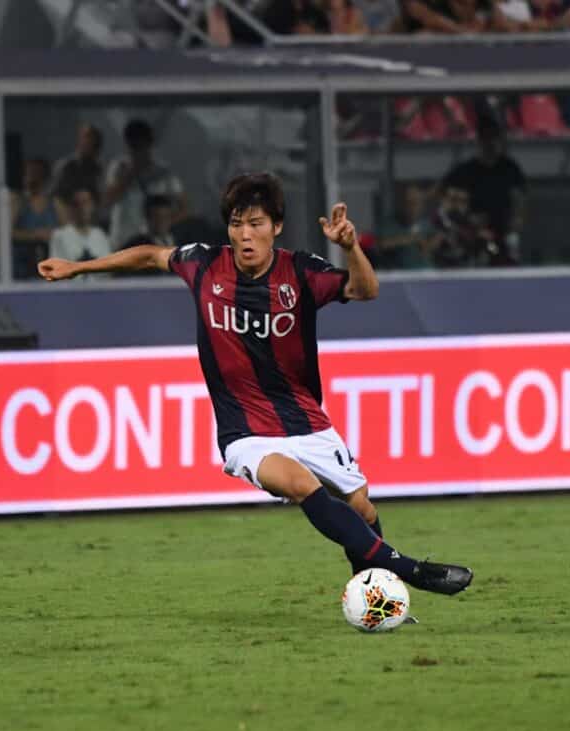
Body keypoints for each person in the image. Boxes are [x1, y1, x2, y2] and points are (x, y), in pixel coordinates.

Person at [38, 172, 473, 600]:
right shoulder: (205, 264)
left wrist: (350, 247)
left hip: (306, 420)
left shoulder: (299, 272)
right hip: (245, 432)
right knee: (303, 486)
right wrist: (79, 267)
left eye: (256, 224)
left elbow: (366, 289)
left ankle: (374, 599)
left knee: (361, 507)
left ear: (276, 227)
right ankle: (409, 571)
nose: (244, 235)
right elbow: (152, 255)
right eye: (236, 224)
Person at [441, 119, 526, 262]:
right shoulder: (466, 169)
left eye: (494, 138)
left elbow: (521, 196)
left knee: (506, 263)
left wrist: (518, 218)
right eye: (487, 138)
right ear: (480, 141)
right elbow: (446, 194)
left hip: (503, 229)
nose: (491, 143)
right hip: (474, 230)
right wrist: (466, 220)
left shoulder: (509, 167)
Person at [103, 120, 187, 251]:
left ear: (150, 144)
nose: (139, 151)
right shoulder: (118, 168)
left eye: (142, 146)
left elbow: (184, 207)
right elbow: (108, 200)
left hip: (155, 244)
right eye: (134, 147)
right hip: (123, 241)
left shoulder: (163, 173)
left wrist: (163, 223)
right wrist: (131, 172)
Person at [12, 158, 63, 279]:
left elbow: (68, 233)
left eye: (36, 174)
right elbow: (7, 234)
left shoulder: (55, 203)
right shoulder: (17, 202)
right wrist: (35, 235)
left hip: (51, 264)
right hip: (22, 266)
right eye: (28, 173)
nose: (31, 178)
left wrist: (53, 234)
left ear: (45, 177)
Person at [48, 187, 112, 266]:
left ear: (92, 206)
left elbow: (109, 268)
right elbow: (57, 268)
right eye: (77, 204)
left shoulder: (100, 235)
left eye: (85, 202)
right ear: (71, 208)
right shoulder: (60, 236)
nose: (82, 208)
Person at [377, 184, 433, 270]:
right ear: (402, 204)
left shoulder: (427, 225)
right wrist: (412, 238)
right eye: (408, 202)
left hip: (426, 274)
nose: (412, 207)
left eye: (416, 203)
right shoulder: (391, 224)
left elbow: (431, 249)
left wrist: (429, 245)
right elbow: (381, 244)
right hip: (401, 276)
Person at [51, 124, 105, 205]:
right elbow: (54, 194)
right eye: (86, 138)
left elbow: (100, 197)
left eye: (95, 142)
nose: (89, 142)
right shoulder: (66, 166)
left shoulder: (98, 168)